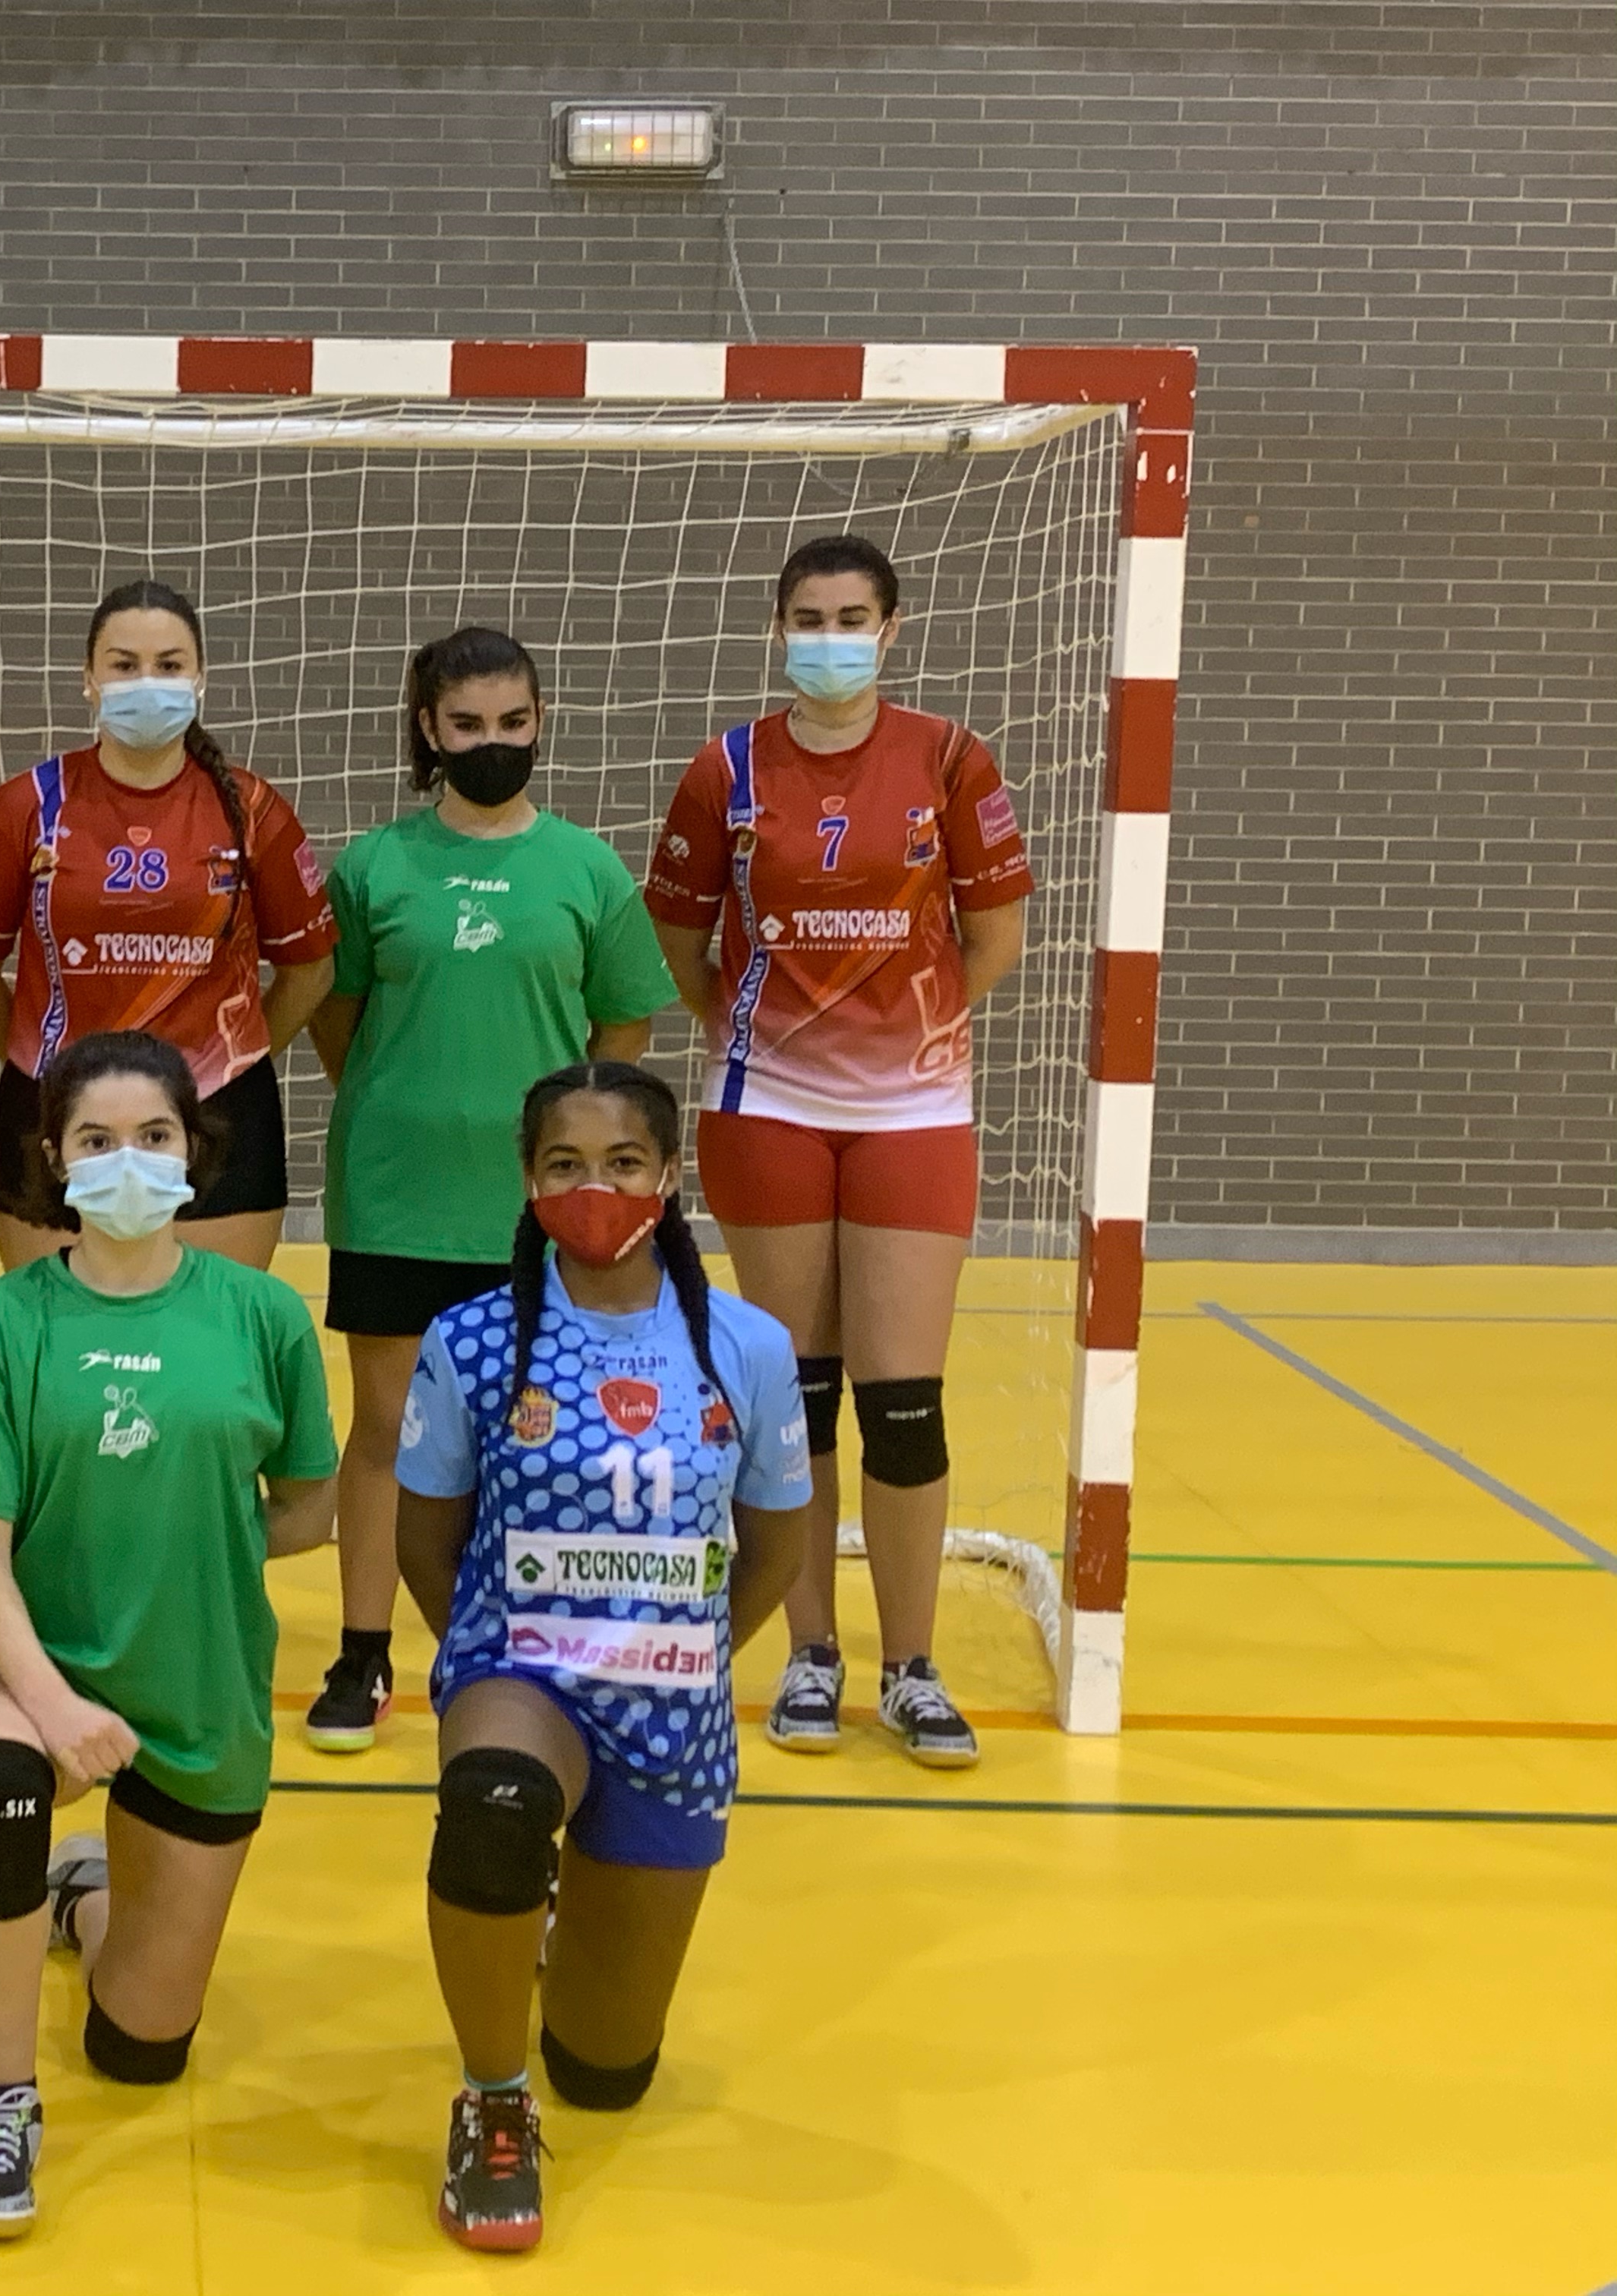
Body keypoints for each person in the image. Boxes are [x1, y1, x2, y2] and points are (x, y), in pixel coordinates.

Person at [0, 1030, 338, 2239]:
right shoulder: (4, 1323)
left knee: (142, 2044)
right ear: (55, 1160)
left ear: (193, 1152)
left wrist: (192, 1548)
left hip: (201, 1683)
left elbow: (306, 1507)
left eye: (153, 1136)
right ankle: (1, 2106)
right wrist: (51, 1704)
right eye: (96, 1139)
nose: (127, 1161)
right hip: (34, 1672)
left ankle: (81, 1902)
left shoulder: (264, 1314)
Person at [396, 1061, 812, 2251]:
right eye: (565, 1164)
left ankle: (559, 1912)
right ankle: (491, 2102)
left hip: (673, 1708)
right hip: (523, 1678)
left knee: (606, 2070)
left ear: (668, 1177)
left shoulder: (747, 1344)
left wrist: (685, 1650)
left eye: (623, 1162)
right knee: (494, 1801)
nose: (596, 1187)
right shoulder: (473, 1342)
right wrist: (494, 1658)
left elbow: (776, 1547)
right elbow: (426, 1540)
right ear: (529, 1182)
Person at [644, 535, 1034, 1768]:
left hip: (913, 1114)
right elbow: (679, 938)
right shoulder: (727, 767)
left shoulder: (949, 758)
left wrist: (901, 1039)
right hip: (765, 1106)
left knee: (903, 1402)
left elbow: (994, 936)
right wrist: (757, 1034)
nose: (830, 638)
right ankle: (809, 1651)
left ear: (890, 628)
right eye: (808, 618)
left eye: (851, 617)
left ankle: (913, 1666)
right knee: (796, 1392)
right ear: (778, 629)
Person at [301, 626, 674, 1755]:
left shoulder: (587, 870)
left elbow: (621, 1030)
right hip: (395, 1190)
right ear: (429, 729)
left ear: (540, 721)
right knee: (386, 1427)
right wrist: (415, 1102)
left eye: (513, 722)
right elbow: (336, 1020)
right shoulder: (374, 867)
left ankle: (523, 1648)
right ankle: (364, 1653)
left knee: (532, 1429)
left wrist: (562, 1150)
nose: (492, 742)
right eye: (467, 725)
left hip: (534, 1210)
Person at [0, 579, 337, 1273]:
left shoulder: (254, 810)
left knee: (214, 1334)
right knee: (57, 1329)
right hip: (54, 1106)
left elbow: (311, 970)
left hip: (218, 1110)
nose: (147, 682)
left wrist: (233, 1057)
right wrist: (45, 1063)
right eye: (125, 665)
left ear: (200, 679)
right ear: (89, 679)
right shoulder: (23, 807)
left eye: (169, 664)